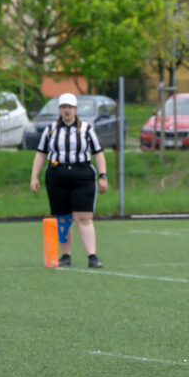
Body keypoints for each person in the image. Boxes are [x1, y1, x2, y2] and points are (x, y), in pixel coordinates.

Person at [30, 92, 107, 268]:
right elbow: (41, 154)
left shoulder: (87, 129)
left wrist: (103, 175)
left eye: (70, 107)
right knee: (63, 218)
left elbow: (98, 153)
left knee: (84, 216)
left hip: (82, 174)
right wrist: (34, 176)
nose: (67, 111)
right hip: (57, 174)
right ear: (59, 109)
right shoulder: (50, 130)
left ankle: (92, 255)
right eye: (64, 107)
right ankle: (66, 255)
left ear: (75, 109)